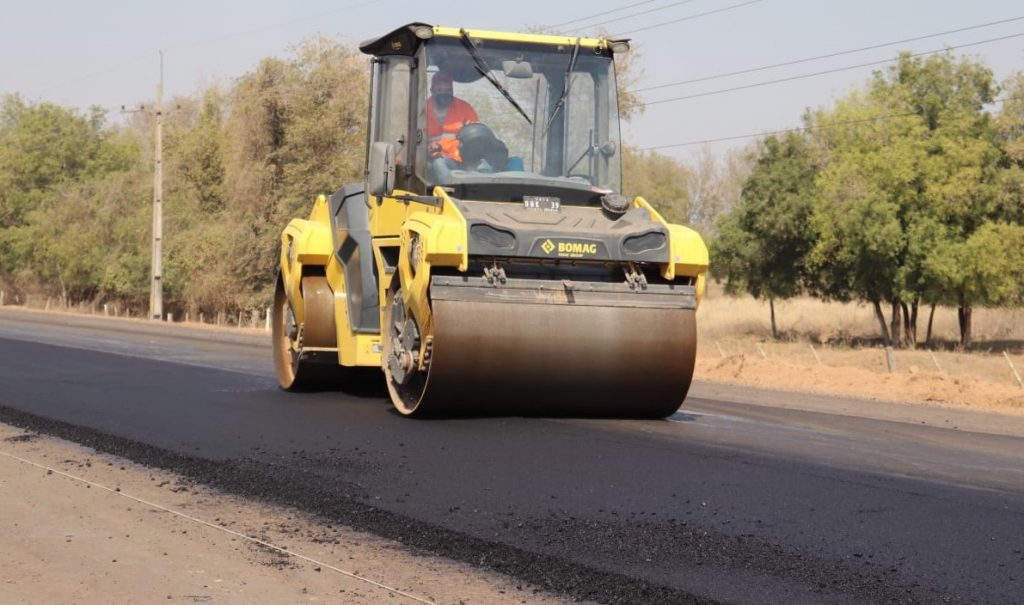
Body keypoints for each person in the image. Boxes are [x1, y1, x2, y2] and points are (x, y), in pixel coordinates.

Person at [426, 70, 478, 181]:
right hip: (433, 160)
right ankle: (449, 193)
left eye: (448, 90)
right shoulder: (421, 110)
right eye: (439, 90)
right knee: (438, 163)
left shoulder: (465, 108)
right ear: (432, 91)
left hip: (463, 160)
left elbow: (476, 135)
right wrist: (427, 147)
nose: (444, 93)